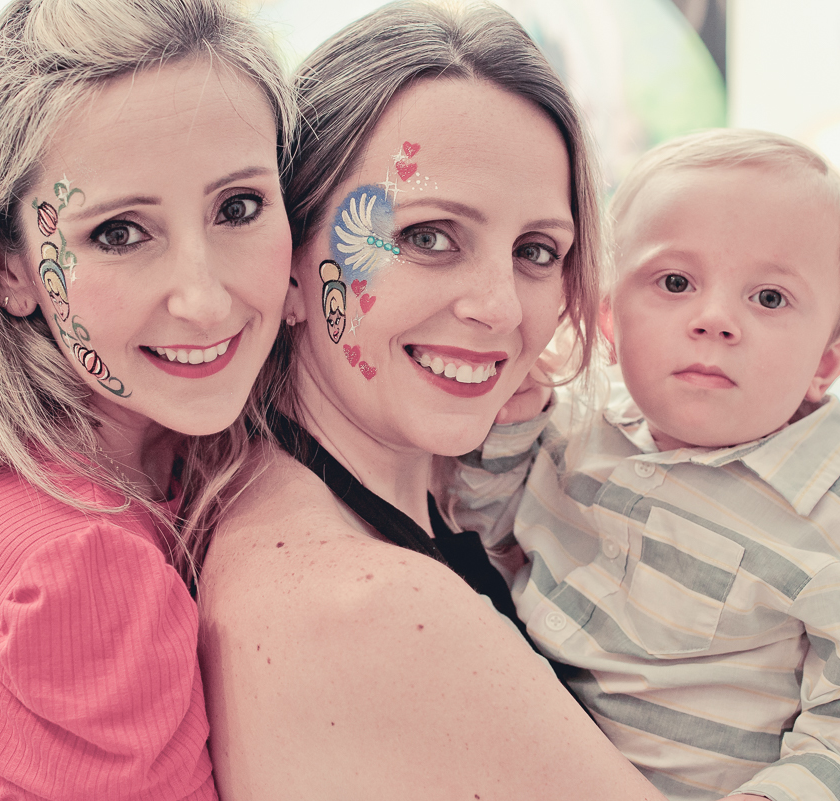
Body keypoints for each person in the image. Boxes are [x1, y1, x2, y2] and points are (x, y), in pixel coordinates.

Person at [196, 3, 670, 799]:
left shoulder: (334, 496)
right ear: (291, 261)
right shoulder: (375, 606)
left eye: (535, 252)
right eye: (426, 236)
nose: (501, 307)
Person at [442, 128, 840, 801]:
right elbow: (484, 536)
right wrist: (508, 429)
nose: (715, 319)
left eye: (769, 298)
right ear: (611, 320)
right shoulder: (571, 439)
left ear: (827, 363)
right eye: (675, 281)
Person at [0, 0, 293, 798]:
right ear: (10, 267)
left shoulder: (38, 480)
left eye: (238, 207)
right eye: (120, 233)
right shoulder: (80, 575)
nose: (202, 299)